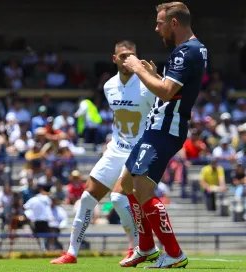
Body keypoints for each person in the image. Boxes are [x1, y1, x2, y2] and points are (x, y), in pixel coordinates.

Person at [51, 40, 156, 265]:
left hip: (138, 151)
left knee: (118, 198)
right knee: (87, 198)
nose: (128, 59)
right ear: (114, 59)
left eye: (132, 55)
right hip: (115, 150)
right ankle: (71, 253)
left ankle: (139, 247)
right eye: (123, 55)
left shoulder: (147, 84)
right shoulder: (109, 86)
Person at [120, 2, 207, 268]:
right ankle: (146, 248)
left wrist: (137, 69)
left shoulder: (185, 52)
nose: (156, 28)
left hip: (164, 128)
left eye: (159, 23)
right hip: (157, 126)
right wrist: (153, 75)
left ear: (174, 23)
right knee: (126, 184)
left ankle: (174, 253)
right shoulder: (195, 49)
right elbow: (175, 89)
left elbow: (167, 92)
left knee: (143, 188)